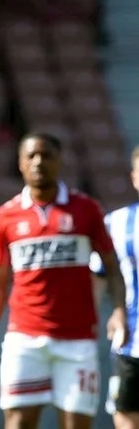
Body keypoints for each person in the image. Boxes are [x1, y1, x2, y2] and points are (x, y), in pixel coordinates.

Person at [0, 132, 128, 429]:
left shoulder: (86, 209)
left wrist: (119, 309)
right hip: (24, 339)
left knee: (76, 425)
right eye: (31, 156)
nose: (39, 162)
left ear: (59, 161)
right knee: (17, 423)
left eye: (47, 155)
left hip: (77, 340)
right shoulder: (6, 216)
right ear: (20, 163)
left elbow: (112, 267)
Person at [91, 145, 139, 428]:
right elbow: (97, 277)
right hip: (130, 342)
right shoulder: (116, 223)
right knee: (125, 417)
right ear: (134, 178)